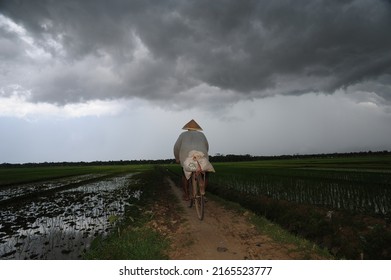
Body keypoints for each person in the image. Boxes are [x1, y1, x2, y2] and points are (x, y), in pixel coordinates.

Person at [173, 119, 214, 200]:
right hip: (201, 157)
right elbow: (207, 146)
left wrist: (177, 158)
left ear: (188, 129)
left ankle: (186, 195)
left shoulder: (183, 135)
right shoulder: (202, 135)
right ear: (197, 129)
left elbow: (176, 148)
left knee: (185, 176)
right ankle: (202, 192)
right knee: (204, 174)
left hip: (187, 158)